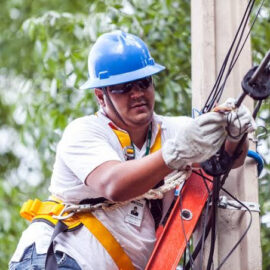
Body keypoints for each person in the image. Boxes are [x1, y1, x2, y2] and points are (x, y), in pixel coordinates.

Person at [9, 30, 255, 270]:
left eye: (143, 83)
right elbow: (114, 185)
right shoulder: (85, 132)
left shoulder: (174, 131)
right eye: (122, 87)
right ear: (101, 97)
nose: (137, 94)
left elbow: (225, 160)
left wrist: (234, 135)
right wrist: (176, 153)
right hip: (58, 257)